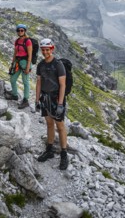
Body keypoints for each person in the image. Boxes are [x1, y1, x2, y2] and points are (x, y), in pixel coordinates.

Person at [35, 38, 69, 170]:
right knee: (49, 123)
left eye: (47, 50)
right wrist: (37, 100)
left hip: (56, 98)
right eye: (43, 50)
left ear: (52, 49)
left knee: (60, 126)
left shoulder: (58, 65)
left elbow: (62, 85)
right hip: (45, 98)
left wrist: (60, 104)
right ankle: (49, 149)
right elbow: (38, 83)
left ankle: (64, 154)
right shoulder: (40, 65)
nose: (45, 52)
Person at [5, 24, 32, 109]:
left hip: (25, 63)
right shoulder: (17, 41)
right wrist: (12, 64)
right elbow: (15, 53)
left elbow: (30, 55)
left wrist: (28, 67)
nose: (20, 32)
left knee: (25, 82)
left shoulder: (28, 41)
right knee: (12, 79)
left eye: (22, 30)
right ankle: (15, 95)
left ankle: (25, 100)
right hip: (17, 62)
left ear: (24, 31)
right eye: (18, 30)